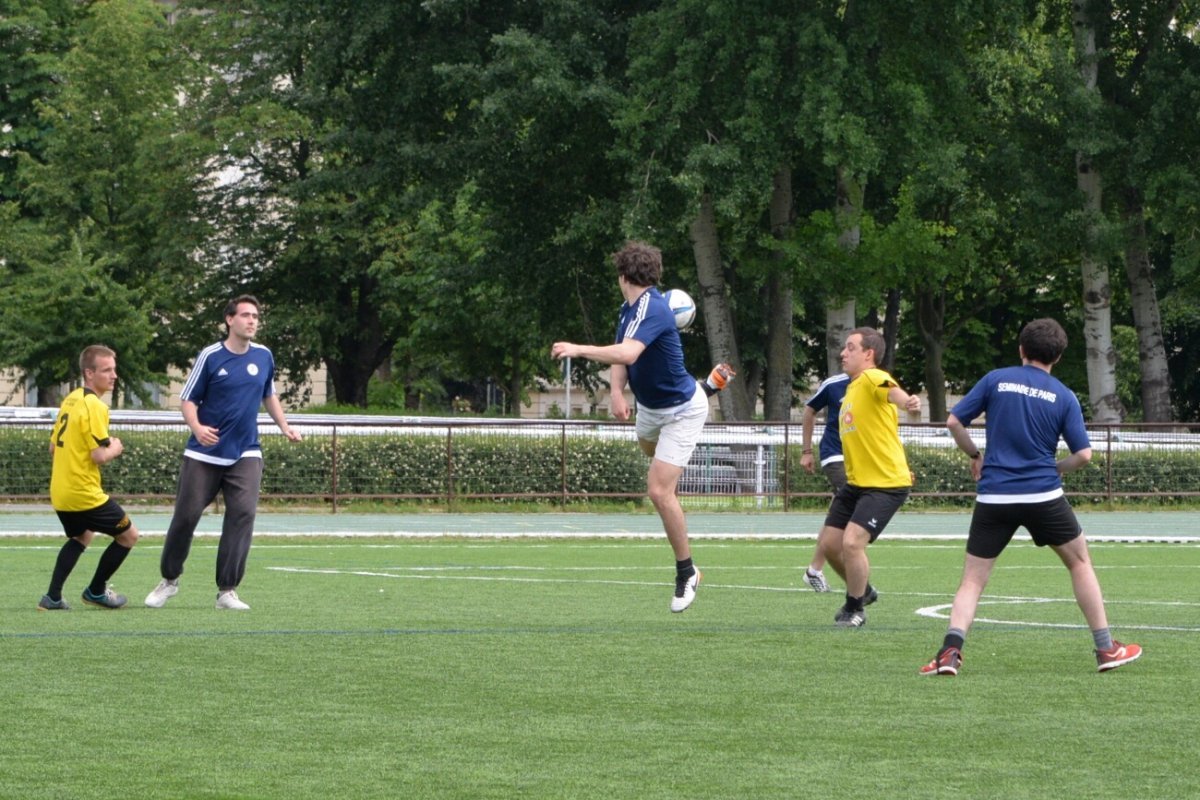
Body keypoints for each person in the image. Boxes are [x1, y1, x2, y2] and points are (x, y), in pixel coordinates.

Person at [920, 318, 1142, 675]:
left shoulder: (995, 380)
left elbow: (953, 422)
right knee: (1079, 563)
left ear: (1021, 350)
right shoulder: (1064, 396)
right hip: (1043, 496)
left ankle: (949, 653)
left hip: (994, 497)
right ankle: (1106, 649)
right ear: (1057, 356)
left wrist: (975, 456)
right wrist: (1055, 468)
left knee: (973, 580)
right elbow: (1084, 455)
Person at [552, 241, 734, 613]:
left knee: (658, 490)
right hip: (649, 410)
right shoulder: (629, 309)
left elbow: (628, 353)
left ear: (623, 276)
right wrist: (617, 392)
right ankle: (702, 393)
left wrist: (578, 348)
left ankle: (687, 572)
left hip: (683, 411)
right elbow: (622, 353)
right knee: (654, 461)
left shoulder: (653, 307)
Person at [145, 295, 303, 611]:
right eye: (245, 315)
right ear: (230, 320)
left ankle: (227, 591)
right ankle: (169, 580)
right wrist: (197, 428)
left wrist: (285, 426)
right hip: (204, 454)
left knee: (242, 514)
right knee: (186, 517)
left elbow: (269, 395)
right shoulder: (211, 356)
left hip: (246, 452)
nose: (252, 321)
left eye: (256, 316)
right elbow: (187, 400)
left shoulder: (264, 356)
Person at [817, 327, 921, 627]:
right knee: (829, 545)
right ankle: (864, 590)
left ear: (868, 354)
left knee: (852, 543)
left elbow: (894, 393)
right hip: (858, 483)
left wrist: (908, 402)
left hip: (886, 484)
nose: (843, 353)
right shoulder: (851, 389)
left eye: (850, 348)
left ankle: (855, 609)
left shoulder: (872, 377)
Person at [39, 345, 139, 611]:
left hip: (61, 491)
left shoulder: (70, 399)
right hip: (84, 492)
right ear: (89, 373)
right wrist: (115, 448)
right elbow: (98, 456)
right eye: (107, 370)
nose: (114, 375)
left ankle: (53, 597)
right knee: (129, 536)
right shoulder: (95, 405)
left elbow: (52, 448)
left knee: (82, 536)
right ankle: (96, 591)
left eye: (114, 369)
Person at [798, 372, 850, 592]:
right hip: (835, 455)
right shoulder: (834, 385)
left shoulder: (877, 382)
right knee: (852, 506)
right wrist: (807, 451)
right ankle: (853, 578)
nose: (844, 355)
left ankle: (814, 570)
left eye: (852, 349)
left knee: (839, 512)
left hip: (860, 458)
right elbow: (809, 410)